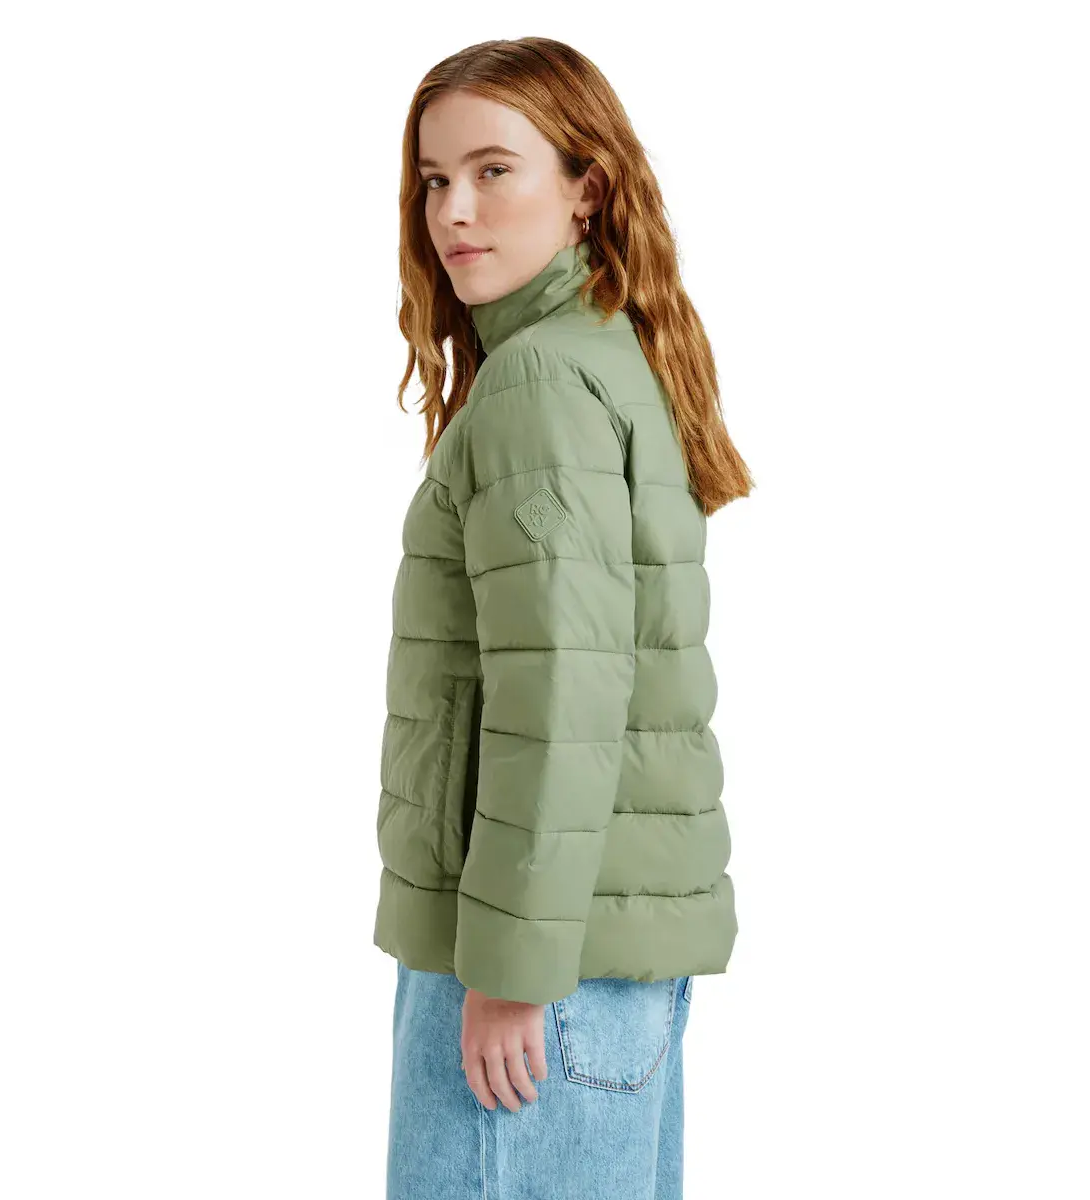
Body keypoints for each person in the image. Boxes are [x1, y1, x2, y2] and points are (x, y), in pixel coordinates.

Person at [373, 36, 754, 1199]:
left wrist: (510, 967)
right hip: (598, 963)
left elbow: (565, 693)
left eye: (495, 171)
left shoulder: (540, 382)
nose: (454, 210)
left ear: (587, 190)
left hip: (536, 968)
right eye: (436, 179)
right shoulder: (604, 355)